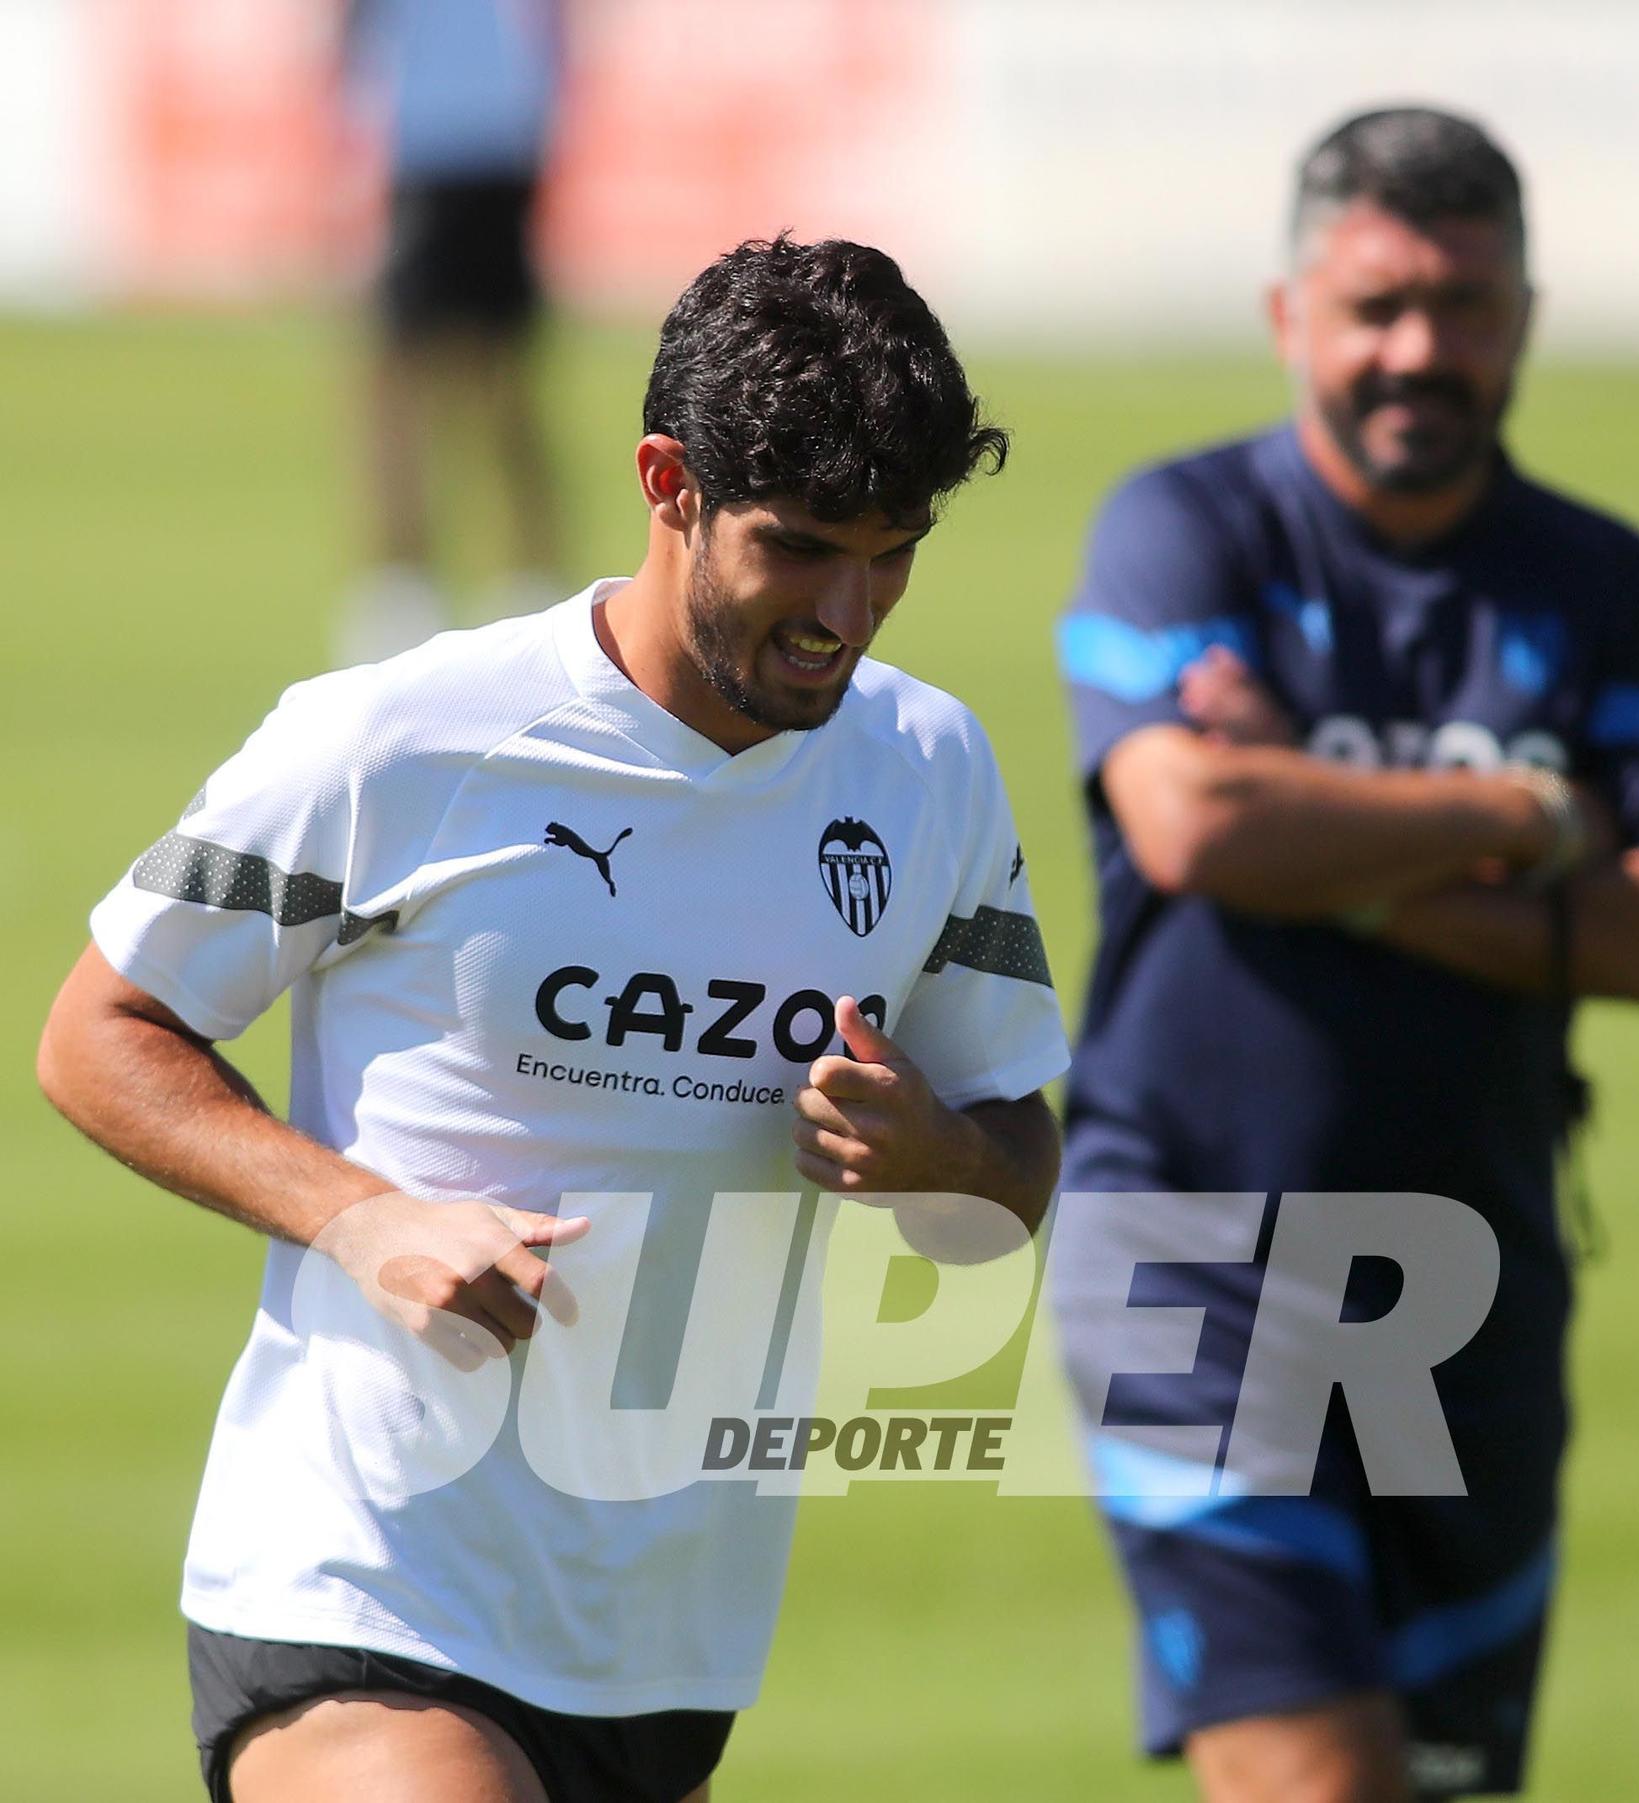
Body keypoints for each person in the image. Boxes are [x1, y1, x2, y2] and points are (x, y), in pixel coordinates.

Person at [38, 235, 1067, 1803]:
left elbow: (1017, 1164)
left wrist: (936, 1149)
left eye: (894, 552)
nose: (846, 614)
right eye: (800, 548)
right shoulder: (396, 737)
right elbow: (101, 1027)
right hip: (366, 1577)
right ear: (670, 482)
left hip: (671, 1636)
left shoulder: (929, 771)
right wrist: (361, 1215)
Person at [1052, 108, 1639, 1801]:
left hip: (1471, 1290)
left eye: (1466, 306)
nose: (1419, 349)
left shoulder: (1601, 580)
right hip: (1192, 1269)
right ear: (1293, 315)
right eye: (1375, 306)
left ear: (1525, 320)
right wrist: (1519, 811)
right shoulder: (1185, 528)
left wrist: (1338, 849)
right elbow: (1195, 825)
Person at [336, 0, 568, 664]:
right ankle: (464, 586)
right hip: (484, 132)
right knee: (471, 386)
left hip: (443, 134)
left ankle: (413, 593)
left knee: (410, 386)